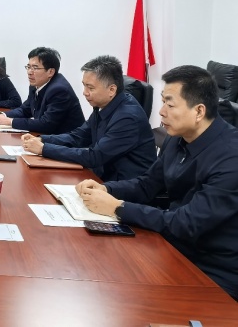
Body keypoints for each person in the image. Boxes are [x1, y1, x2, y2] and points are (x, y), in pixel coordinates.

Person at [77, 65, 238, 300]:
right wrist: (106, 188)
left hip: (213, 269)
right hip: (173, 247)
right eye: (162, 102)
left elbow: (187, 223)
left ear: (199, 111)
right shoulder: (177, 138)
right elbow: (146, 185)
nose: (161, 112)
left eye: (170, 105)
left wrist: (117, 207)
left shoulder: (231, 157)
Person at [21, 55, 156, 181]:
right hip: (103, 176)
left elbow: (94, 156)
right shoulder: (103, 105)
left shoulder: (127, 118)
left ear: (112, 90)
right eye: (84, 85)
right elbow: (79, 136)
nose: (85, 93)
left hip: (123, 186)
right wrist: (42, 139)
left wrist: (44, 149)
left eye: (90, 88)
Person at [0, 46, 84, 134]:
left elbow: (46, 124)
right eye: (28, 67)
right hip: (48, 138)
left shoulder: (59, 90)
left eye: (35, 68)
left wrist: (9, 121)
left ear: (50, 72)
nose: (29, 72)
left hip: (67, 143)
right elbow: (25, 110)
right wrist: (1, 115)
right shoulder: (36, 83)